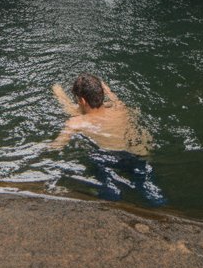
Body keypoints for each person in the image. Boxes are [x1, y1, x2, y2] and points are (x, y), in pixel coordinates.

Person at [48, 73, 165, 205]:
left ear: (82, 101)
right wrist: (104, 88)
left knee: (110, 194)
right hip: (133, 156)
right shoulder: (120, 109)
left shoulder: (76, 122)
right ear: (102, 94)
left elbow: (57, 146)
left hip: (106, 159)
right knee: (152, 192)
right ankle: (161, 205)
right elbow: (113, 98)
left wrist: (58, 93)